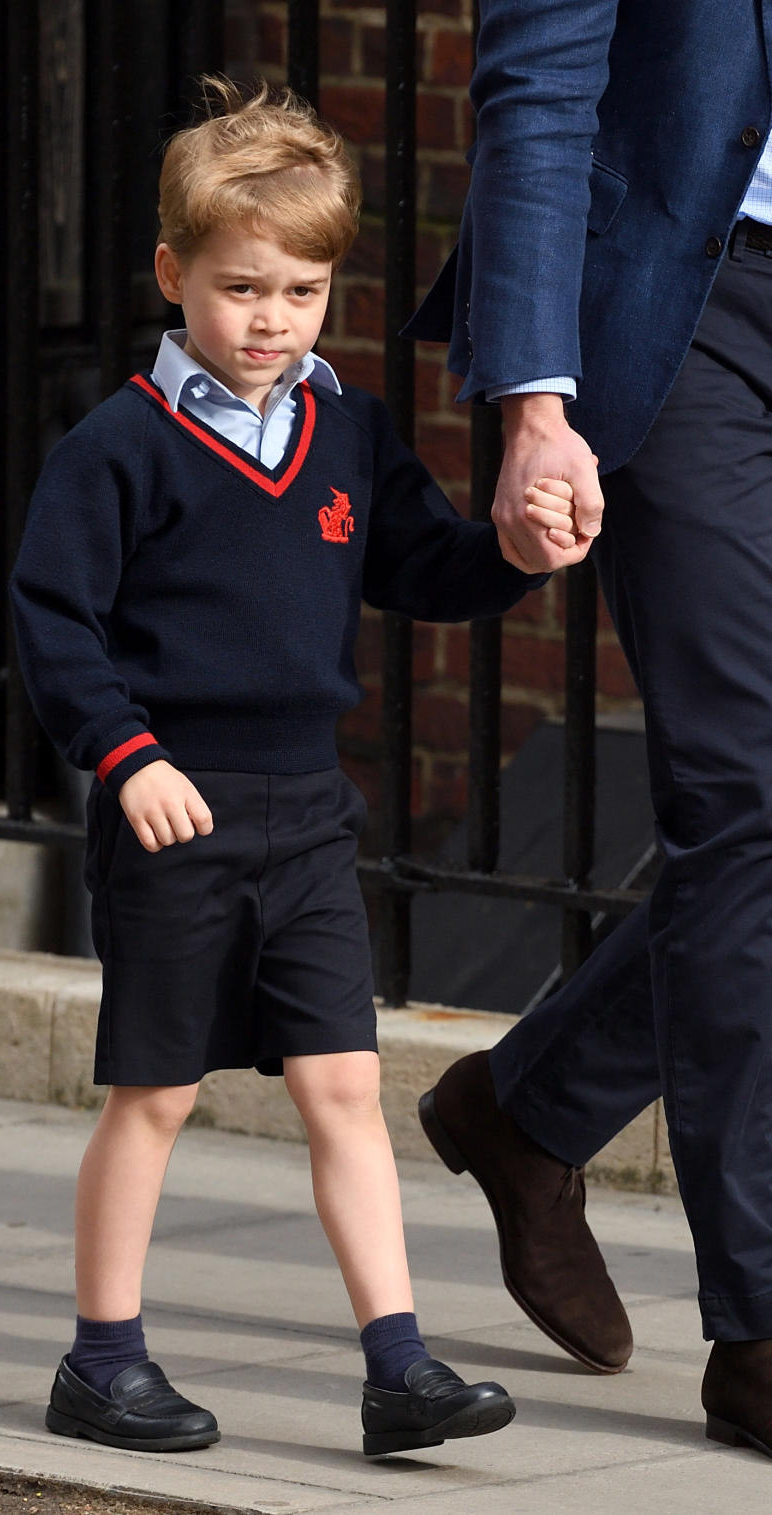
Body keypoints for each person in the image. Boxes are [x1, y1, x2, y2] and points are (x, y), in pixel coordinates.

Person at [9, 78, 577, 1460]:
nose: (271, 320)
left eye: (305, 292)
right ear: (173, 273)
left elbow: (420, 567)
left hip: (309, 820)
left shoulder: (350, 431)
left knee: (342, 1087)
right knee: (155, 1094)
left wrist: (511, 554)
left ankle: (399, 1368)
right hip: (172, 812)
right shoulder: (119, 449)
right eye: (241, 287)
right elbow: (49, 618)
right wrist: (123, 755)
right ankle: (101, 1360)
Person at [406, 0, 772, 1460]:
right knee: (747, 791)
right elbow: (542, 88)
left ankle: (530, 1107)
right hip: (685, 311)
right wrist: (535, 403)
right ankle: (757, 1325)